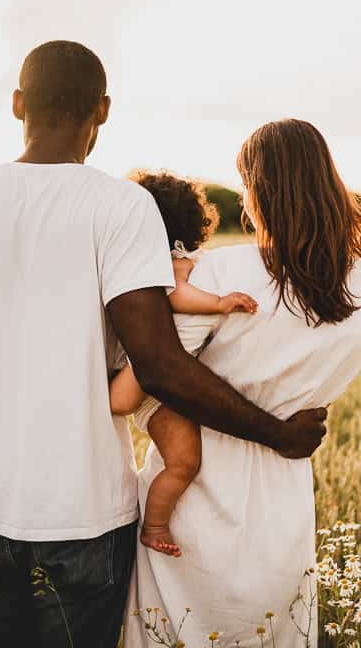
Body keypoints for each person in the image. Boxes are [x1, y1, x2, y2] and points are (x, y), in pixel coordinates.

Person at [0, 42, 329, 647]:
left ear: (18, 104)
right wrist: (278, 433)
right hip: (83, 514)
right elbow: (158, 364)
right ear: (101, 111)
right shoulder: (120, 206)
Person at [124, 119, 361, 647]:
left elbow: (157, 376)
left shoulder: (220, 274)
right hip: (284, 503)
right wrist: (281, 426)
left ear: (258, 191)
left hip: (187, 499)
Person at [108, 171, 259, 558]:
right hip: (152, 383)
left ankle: (153, 521)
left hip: (156, 378)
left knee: (185, 459)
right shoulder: (171, 260)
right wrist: (220, 303)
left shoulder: (143, 257)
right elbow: (176, 295)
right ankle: (154, 524)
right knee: (185, 460)